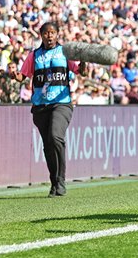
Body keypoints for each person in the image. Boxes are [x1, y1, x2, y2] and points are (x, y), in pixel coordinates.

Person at [9, 22, 86, 197]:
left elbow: (81, 71)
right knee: (47, 145)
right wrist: (15, 75)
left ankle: (61, 180)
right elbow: (23, 76)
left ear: (57, 35)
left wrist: (83, 64)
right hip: (40, 106)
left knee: (55, 136)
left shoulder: (66, 52)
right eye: (46, 33)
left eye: (52, 33)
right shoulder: (34, 55)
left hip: (62, 103)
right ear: (41, 35)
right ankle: (54, 182)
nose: (49, 36)